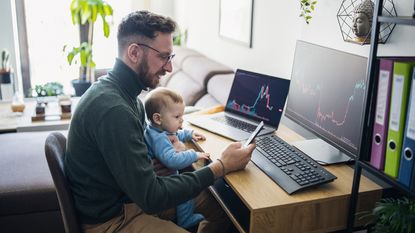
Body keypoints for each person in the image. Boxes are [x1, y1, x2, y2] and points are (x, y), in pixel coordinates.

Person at [65, 10, 255, 233]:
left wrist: (148, 163)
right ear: (134, 53)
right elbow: (152, 197)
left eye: (170, 57)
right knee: (218, 191)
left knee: (228, 209)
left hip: (130, 199)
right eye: (164, 57)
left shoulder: (125, 95)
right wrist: (221, 166)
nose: (169, 67)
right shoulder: (114, 109)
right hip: (114, 220)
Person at [143, 87, 210, 229]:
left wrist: (189, 134)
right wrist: (194, 154)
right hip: (161, 182)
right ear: (158, 118)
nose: (182, 120)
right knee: (184, 191)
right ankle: (186, 220)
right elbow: (172, 160)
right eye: (177, 117)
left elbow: (174, 135)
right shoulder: (158, 139)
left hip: (159, 179)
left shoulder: (158, 130)